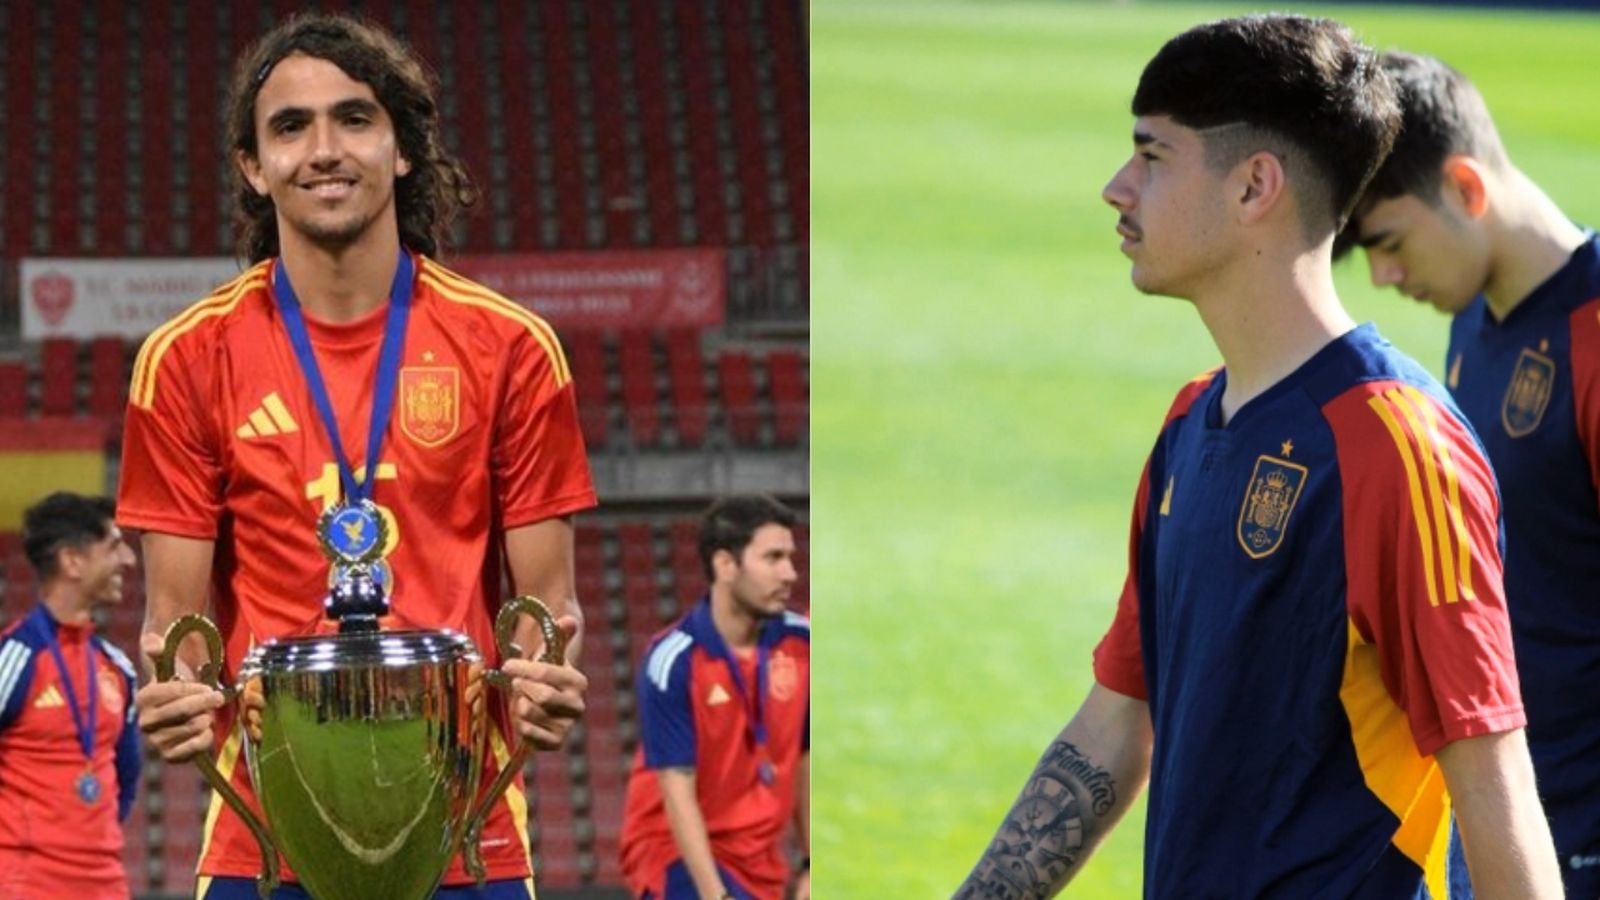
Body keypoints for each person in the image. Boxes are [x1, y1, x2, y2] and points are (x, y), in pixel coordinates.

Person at [954, 14, 1564, 899]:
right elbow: (1115, 727)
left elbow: (1494, 784)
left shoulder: (1399, 447)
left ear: (1254, 188)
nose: (1116, 187)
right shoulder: (1192, 421)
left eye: (1152, 155)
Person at [117, 14, 597, 900]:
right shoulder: (186, 358)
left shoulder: (511, 347)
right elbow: (176, 627)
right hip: (263, 844)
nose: (324, 149)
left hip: (468, 838)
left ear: (404, 149)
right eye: (290, 127)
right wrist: (178, 697)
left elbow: (546, 607)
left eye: (355, 118)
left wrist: (543, 680)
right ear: (253, 168)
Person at [1336, 50, 1600, 897]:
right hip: (1506, 811)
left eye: (1389, 241)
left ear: (1467, 188)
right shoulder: (1476, 324)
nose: (1383, 275)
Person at [619, 496, 810, 900]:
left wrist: (813, 864)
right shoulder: (673, 659)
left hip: (760, 861)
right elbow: (676, 789)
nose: (790, 573)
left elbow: (806, 756)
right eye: (773, 558)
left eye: (790, 558)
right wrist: (715, 895)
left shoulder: (803, 643)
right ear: (725, 565)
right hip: (677, 855)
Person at [0, 492, 141, 900]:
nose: (129, 561)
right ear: (72, 561)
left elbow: (125, 781)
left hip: (106, 884)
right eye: (114, 546)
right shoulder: (15, 659)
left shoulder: (118, 670)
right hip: (25, 884)